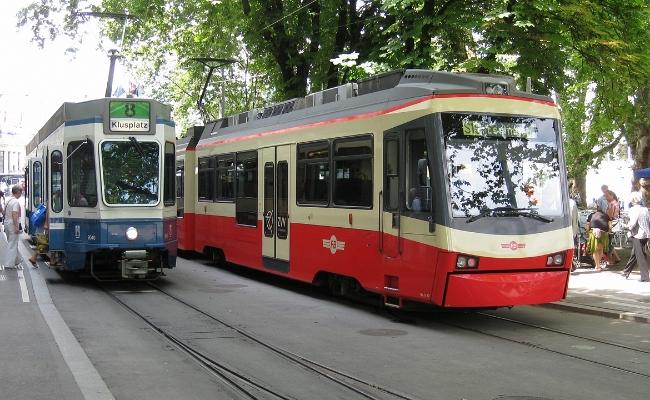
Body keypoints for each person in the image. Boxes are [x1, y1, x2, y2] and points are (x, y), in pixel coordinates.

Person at [620, 193, 650, 282]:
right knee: (635, 254)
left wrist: (624, 225)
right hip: (646, 234)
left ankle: (645, 276)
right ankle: (626, 272)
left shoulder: (633, 209)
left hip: (637, 234)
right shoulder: (645, 209)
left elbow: (632, 224)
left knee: (639, 255)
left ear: (633, 200)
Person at [2, 185, 24, 270]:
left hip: (6, 223)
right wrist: (16, 226)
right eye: (21, 192)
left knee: (12, 242)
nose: (21, 194)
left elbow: (4, 212)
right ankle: (9, 264)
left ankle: (18, 260)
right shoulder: (15, 202)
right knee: (12, 244)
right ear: (18, 192)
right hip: (12, 223)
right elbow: (14, 214)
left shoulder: (8, 200)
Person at [585, 207, 612, 272]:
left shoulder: (591, 215)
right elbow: (610, 226)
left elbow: (587, 228)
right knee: (600, 249)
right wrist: (608, 232)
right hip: (604, 233)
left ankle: (597, 266)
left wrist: (588, 234)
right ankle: (598, 264)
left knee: (595, 250)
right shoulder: (606, 216)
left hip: (593, 233)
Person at [604, 190, 622, 265]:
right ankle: (617, 258)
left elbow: (610, 216)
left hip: (610, 223)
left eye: (607, 196)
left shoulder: (611, 204)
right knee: (609, 242)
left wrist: (609, 226)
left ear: (611, 195)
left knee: (608, 242)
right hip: (615, 223)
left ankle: (610, 261)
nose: (606, 197)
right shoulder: (616, 203)